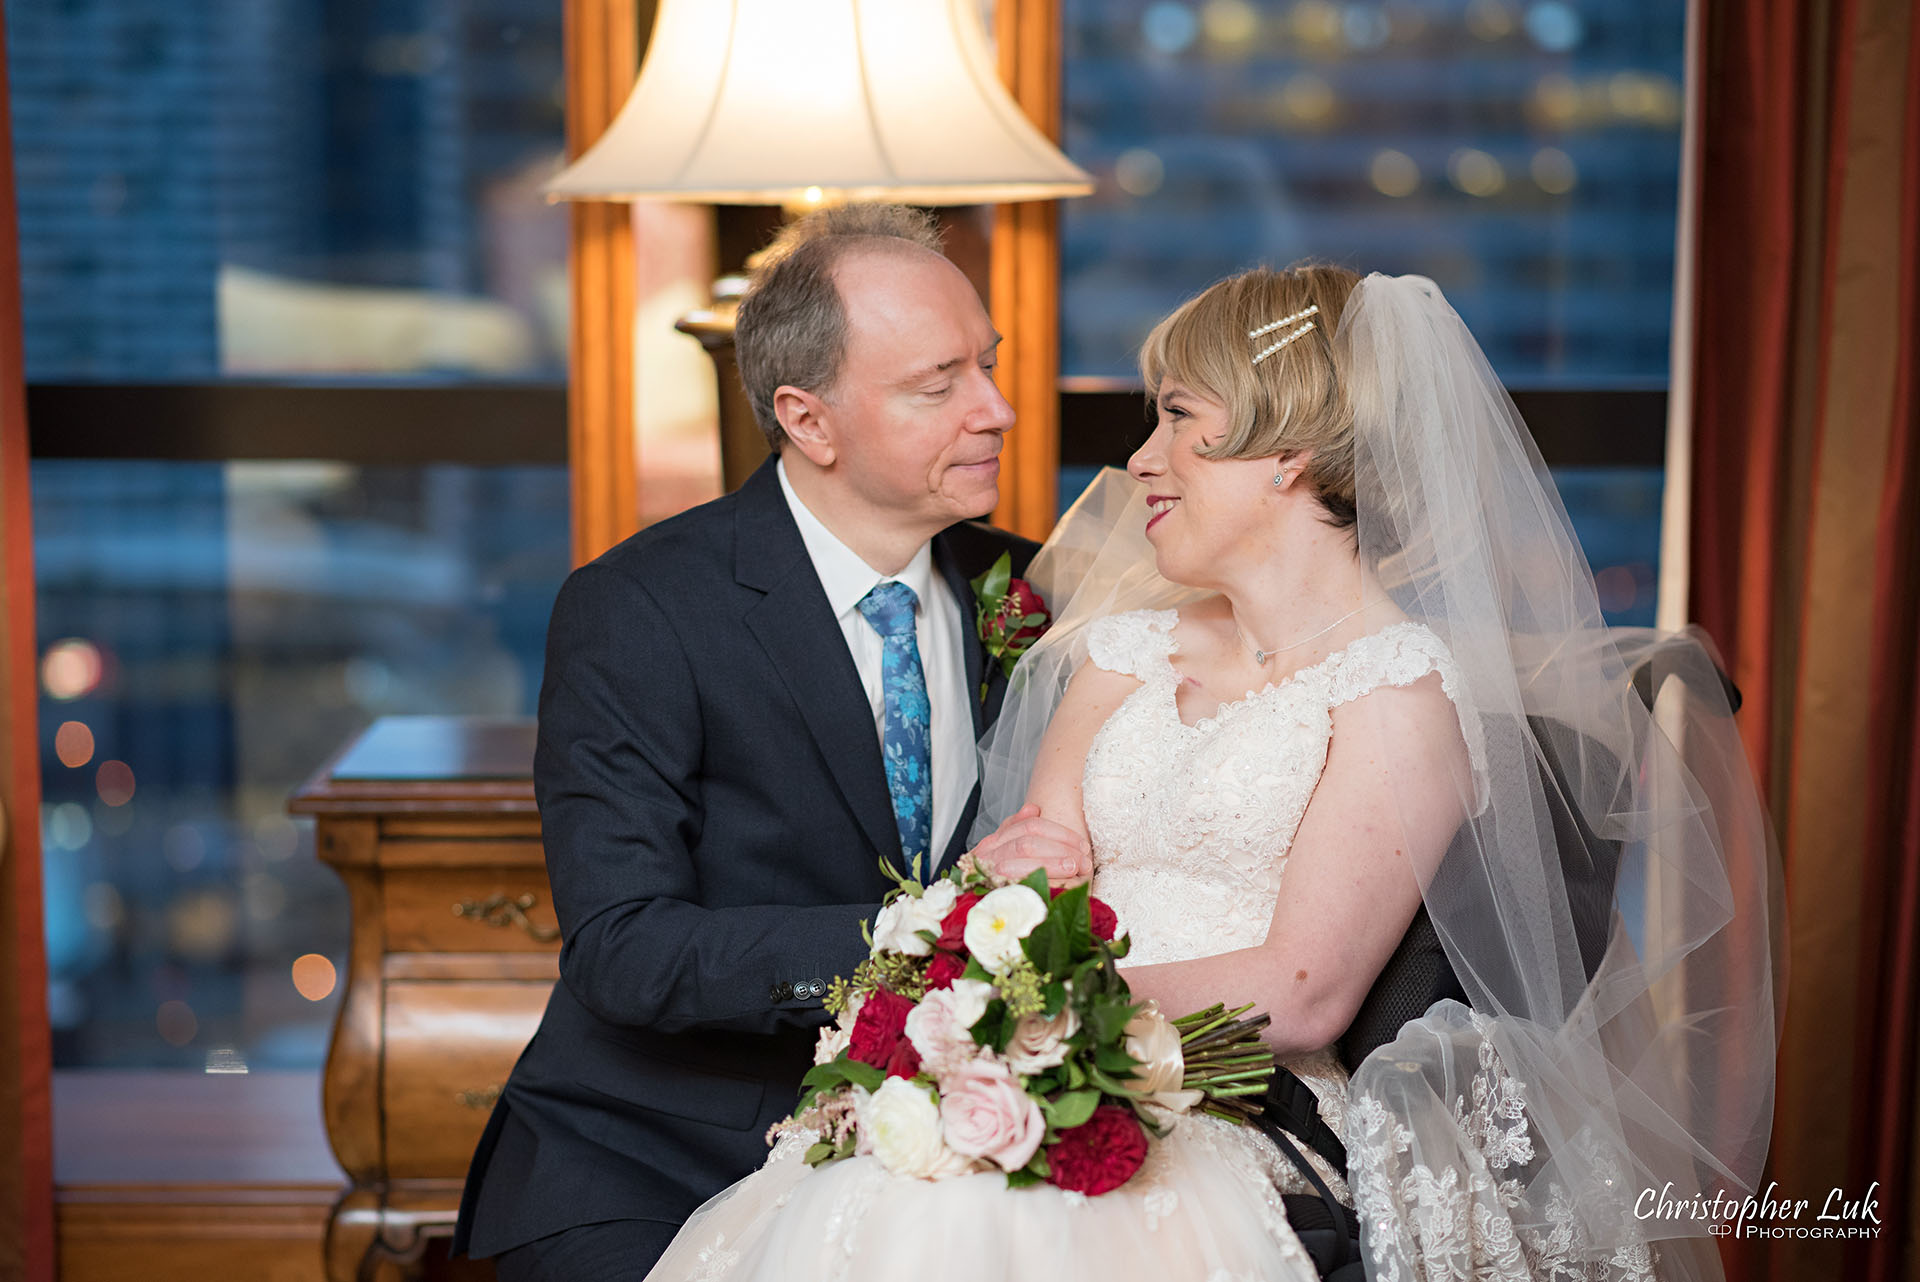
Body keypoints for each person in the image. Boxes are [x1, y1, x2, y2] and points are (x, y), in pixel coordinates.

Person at [639, 264, 1782, 1280]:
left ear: (1289, 451)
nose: (1140, 460)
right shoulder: (1119, 655)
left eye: (1180, 419)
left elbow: (1305, 990)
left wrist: (1036, 1010)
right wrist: (994, 919)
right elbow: (1027, 871)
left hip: (1229, 1091)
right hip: (1038, 1062)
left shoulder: (1395, 692)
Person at [451, 204, 1085, 1280]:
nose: (999, 410)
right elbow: (627, 949)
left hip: (955, 1131)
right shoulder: (638, 609)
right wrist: (922, 928)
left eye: (990, 365)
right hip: (663, 1143)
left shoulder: (1038, 593)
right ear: (809, 418)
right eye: (939, 386)